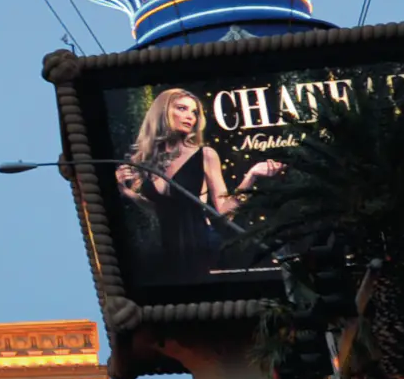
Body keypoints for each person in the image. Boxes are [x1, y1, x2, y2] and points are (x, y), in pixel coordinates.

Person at [117, 88, 282, 282]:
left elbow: (224, 211)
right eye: (182, 108)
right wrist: (125, 192)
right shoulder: (148, 160)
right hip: (168, 249)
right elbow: (159, 208)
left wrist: (251, 176)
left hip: (202, 245)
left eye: (194, 112)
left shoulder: (205, 155)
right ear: (162, 112)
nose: (190, 116)